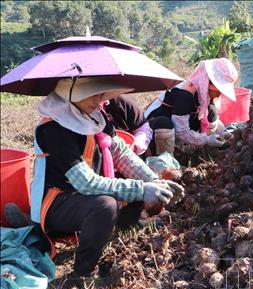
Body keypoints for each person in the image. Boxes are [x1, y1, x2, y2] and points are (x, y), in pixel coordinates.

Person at [31, 77, 184, 277]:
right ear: (71, 95)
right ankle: (83, 272)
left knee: (131, 183)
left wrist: (154, 181)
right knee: (105, 204)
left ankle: (128, 223)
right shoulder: (53, 129)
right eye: (91, 94)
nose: (98, 99)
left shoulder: (95, 118)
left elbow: (122, 155)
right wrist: (142, 189)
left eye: (99, 93)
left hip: (84, 197)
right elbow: (85, 183)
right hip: (58, 203)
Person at [144, 58, 238, 153]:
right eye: (218, 89)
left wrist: (222, 133)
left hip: (173, 131)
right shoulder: (185, 95)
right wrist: (206, 140)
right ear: (208, 81)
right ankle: (163, 159)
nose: (220, 94)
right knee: (164, 123)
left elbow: (213, 119)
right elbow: (182, 132)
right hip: (152, 131)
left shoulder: (203, 95)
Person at [101, 95, 173, 156]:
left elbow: (143, 128)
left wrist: (136, 145)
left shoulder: (121, 101)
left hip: (131, 150)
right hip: (105, 155)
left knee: (163, 122)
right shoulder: (91, 117)